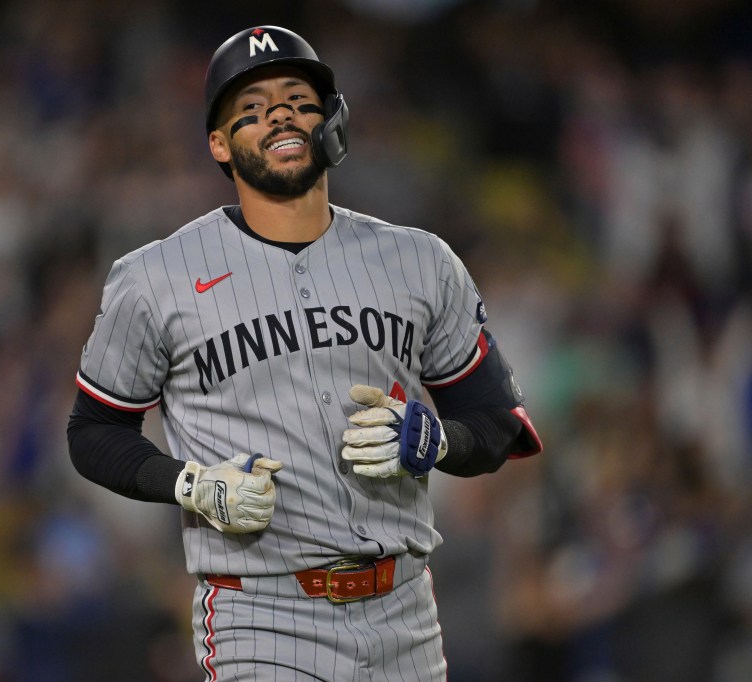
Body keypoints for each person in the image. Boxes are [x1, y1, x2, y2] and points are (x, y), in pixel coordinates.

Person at [67, 25, 542, 681]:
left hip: (405, 611)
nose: (280, 115)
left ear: (332, 121)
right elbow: (93, 431)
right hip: (262, 615)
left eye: (298, 99)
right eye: (252, 108)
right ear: (219, 144)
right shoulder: (156, 276)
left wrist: (439, 441)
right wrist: (190, 484)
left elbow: (498, 424)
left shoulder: (420, 260)